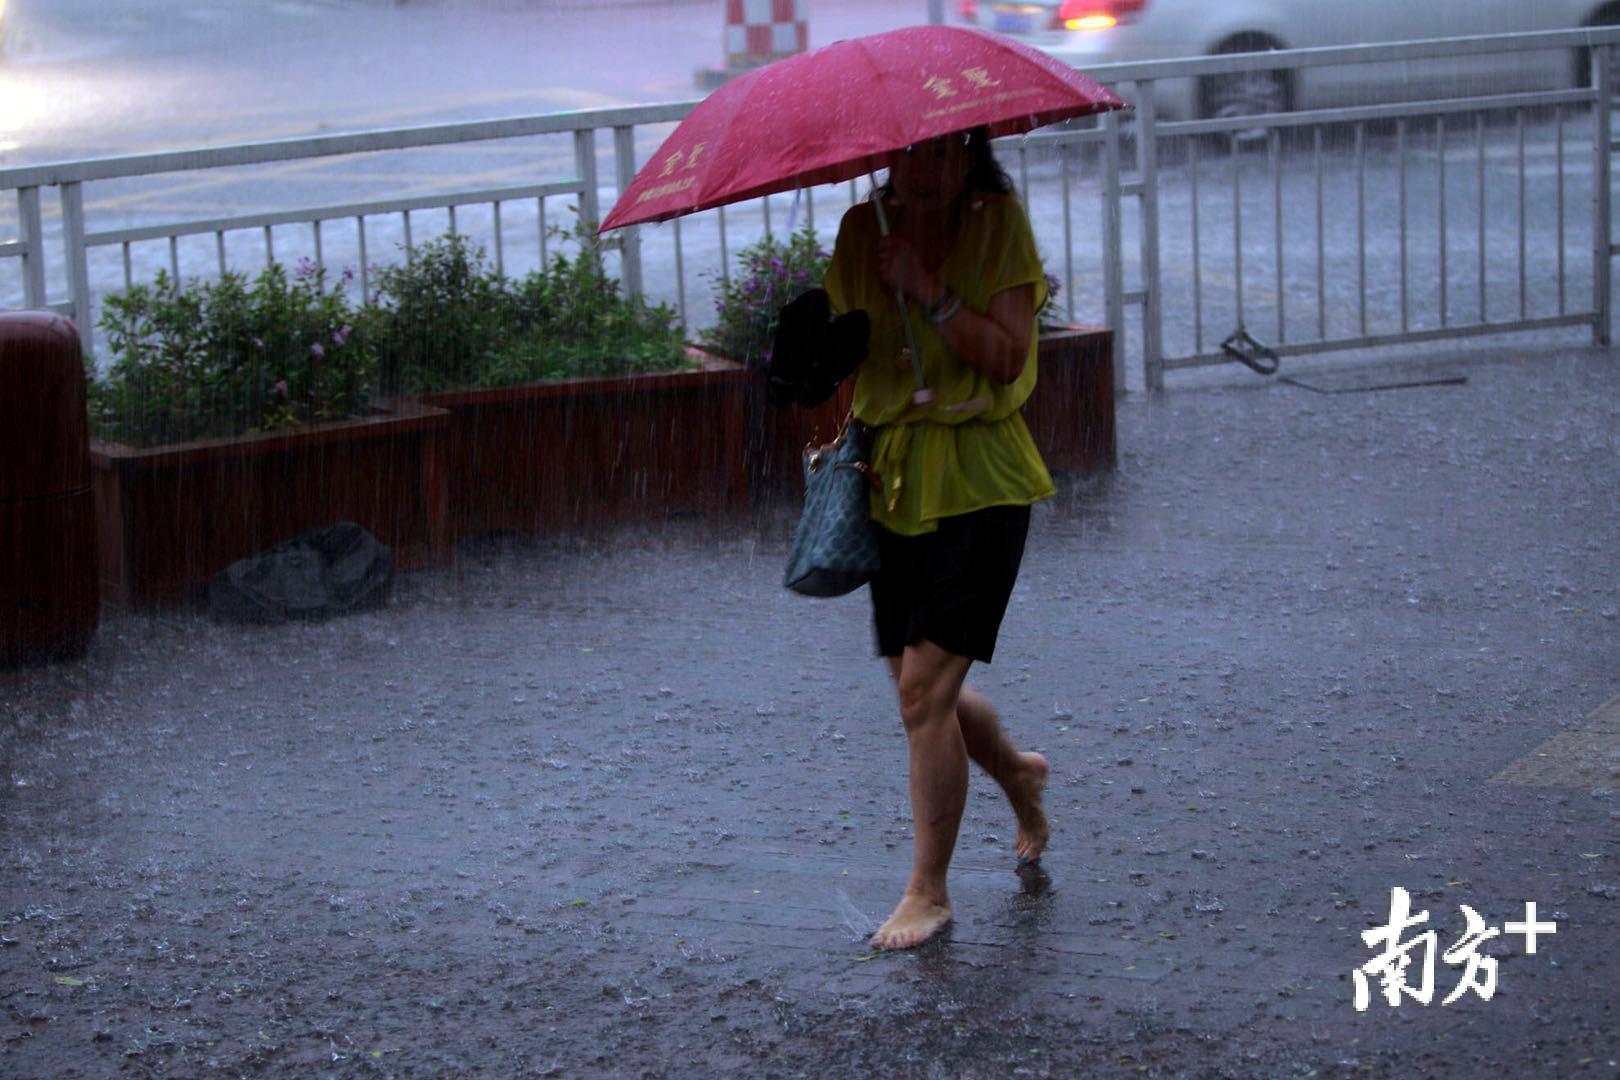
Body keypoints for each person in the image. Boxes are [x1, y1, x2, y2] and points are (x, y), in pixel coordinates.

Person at [821, 126, 1055, 951]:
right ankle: (1019, 776)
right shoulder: (862, 231)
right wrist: (807, 352)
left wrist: (931, 293)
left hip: (983, 477)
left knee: (924, 692)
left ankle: (929, 891)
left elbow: (1005, 356)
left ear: (972, 155)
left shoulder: (999, 226)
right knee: (923, 693)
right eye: (911, 153)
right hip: (893, 482)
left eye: (945, 153)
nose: (925, 171)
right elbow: (847, 353)